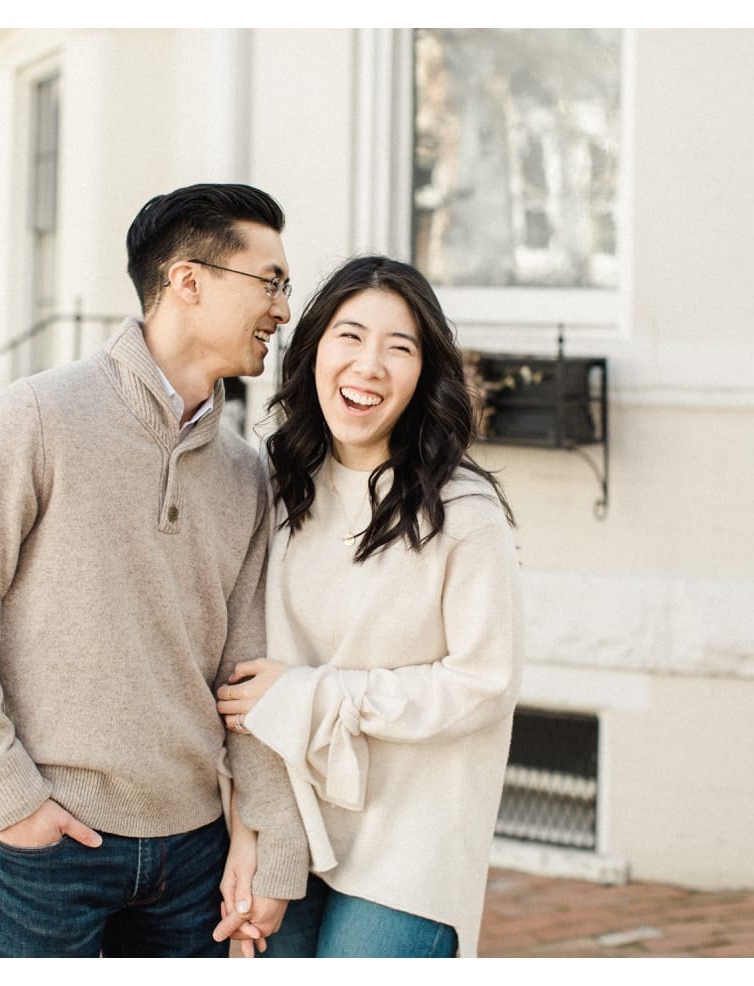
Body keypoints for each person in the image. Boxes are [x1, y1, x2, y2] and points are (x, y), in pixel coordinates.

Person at [0, 183, 309, 957]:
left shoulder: (246, 475)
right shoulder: (36, 418)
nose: (283, 310)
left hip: (192, 858)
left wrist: (270, 841)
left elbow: (247, 677)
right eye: (271, 282)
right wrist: (11, 798)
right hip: (51, 850)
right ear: (188, 280)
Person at [213, 255, 524, 958]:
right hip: (291, 828)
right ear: (315, 349)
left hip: (411, 845)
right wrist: (250, 828)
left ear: (424, 376)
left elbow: (485, 685)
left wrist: (319, 696)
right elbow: (242, 674)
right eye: (349, 337)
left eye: (399, 347)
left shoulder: (463, 513)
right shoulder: (275, 489)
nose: (370, 365)